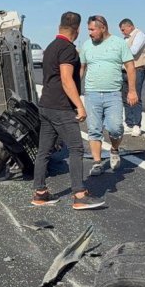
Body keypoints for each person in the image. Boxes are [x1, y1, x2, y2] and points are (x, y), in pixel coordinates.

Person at [31, 12, 104, 210]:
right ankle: (79, 194)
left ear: (59, 26)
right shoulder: (67, 49)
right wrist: (79, 105)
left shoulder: (51, 47)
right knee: (76, 148)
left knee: (43, 151)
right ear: (77, 30)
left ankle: (40, 193)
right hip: (61, 107)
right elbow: (66, 78)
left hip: (45, 105)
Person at [79, 15, 137, 176]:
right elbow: (82, 68)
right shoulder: (86, 46)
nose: (89, 33)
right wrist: (76, 91)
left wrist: (132, 91)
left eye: (92, 29)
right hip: (92, 94)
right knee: (94, 130)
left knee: (116, 128)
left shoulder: (119, 43)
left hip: (113, 94)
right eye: (88, 30)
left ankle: (114, 149)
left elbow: (130, 67)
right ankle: (97, 163)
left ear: (103, 27)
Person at [118, 18, 145, 137]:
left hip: (137, 70)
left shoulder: (140, 35)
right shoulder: (125, 38)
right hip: (124, 71)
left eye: (123, 29)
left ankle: (137, 124)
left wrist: (120, 52)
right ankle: (129, 123)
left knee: (136, 97)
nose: (122, 32)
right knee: (126, 97)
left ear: (130, 26)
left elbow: (134, 51)